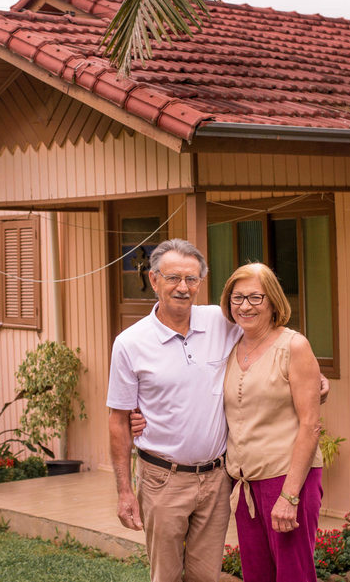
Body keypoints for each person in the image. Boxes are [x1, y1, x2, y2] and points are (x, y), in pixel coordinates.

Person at [107, 238, 241, 582]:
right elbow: (119, 420)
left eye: (192, 279)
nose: (183, 288)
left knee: (205, 576)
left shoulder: (220, 322)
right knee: (165, 576)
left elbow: (267, 336)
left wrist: (311, 377)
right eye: (173, 278)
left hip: (215, 479)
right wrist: (124, 491)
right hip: (162, 479)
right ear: (154, 280)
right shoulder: (129, 343)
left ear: (200, 282)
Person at [219, 262, 324, 582]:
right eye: (237, 298)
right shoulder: (229, 346)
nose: (245, 306)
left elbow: (310, 424)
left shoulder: (293, 346)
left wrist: (289, 496)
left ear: (273, 301)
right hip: (246, 483)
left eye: (255, 298)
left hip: (288, 478)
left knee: (294, 574)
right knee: (257, 575)